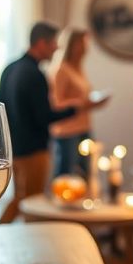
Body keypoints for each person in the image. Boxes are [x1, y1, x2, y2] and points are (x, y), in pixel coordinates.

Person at [0, 22, 104, 224]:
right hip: (32, 149)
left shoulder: (11, 68)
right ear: (41, 43)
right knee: (31, 202)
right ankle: (9, 239)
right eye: (54, 43)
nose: (57, 48)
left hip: (13, 148)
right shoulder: (35, 74)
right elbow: (45, 117)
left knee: (21, 198)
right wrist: (79, 107)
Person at [49, 28, 103, 177]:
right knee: (65, 173)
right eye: (82, 44)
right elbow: (56, 103)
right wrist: (81, 103)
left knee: (86, 172)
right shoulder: (61, 70)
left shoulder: (78, 68)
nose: (86, 48)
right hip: (67, 130)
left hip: (83, 126)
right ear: (72, 45)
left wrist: (92, 102)